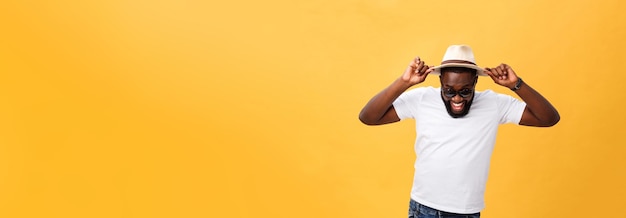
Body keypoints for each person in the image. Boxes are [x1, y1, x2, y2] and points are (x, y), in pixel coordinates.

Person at [358, 45, 560, 218]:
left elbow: (549, 118)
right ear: (441, 84)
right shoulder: (422, 99)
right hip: (424, 208)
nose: (457, 99)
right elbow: (368, 117)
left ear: (475, 83)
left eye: (465, 91)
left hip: (467, 211)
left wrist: (517, 85)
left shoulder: (494, 103)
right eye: (449, 91)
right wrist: (404, 83)